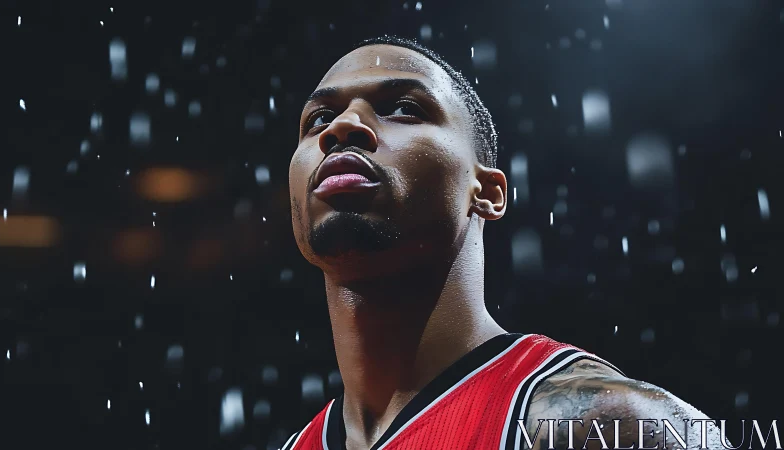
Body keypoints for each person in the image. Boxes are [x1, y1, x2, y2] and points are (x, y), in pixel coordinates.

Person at [284, 35, 725, 450]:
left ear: (488, 192)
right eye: (319, 118)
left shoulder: (602, 422)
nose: (342, 127)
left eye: (401, 108)